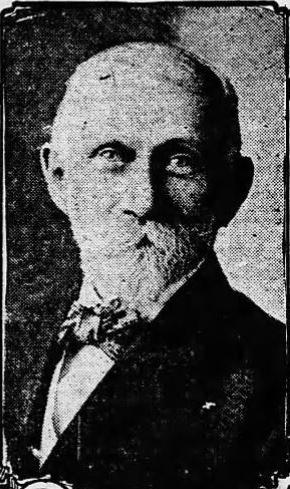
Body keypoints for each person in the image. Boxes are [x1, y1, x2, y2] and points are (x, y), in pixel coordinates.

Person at [19, 42, 285, 489]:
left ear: (233, 189)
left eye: (181, 161)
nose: (144, 201)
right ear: (57, 178)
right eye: (111, 156)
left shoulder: (274, 372)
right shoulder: (16, 332)